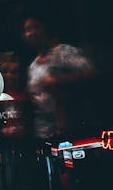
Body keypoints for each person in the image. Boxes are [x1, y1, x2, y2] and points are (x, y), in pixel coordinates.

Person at [23, 17, 96, 145]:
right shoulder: (33, 66)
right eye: (27, 30)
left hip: (71, 129)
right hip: (45, 133)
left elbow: (91, 73)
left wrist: (58, 81)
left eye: (34, 27)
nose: (31, 33)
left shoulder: (63, 52)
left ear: (44, 29)